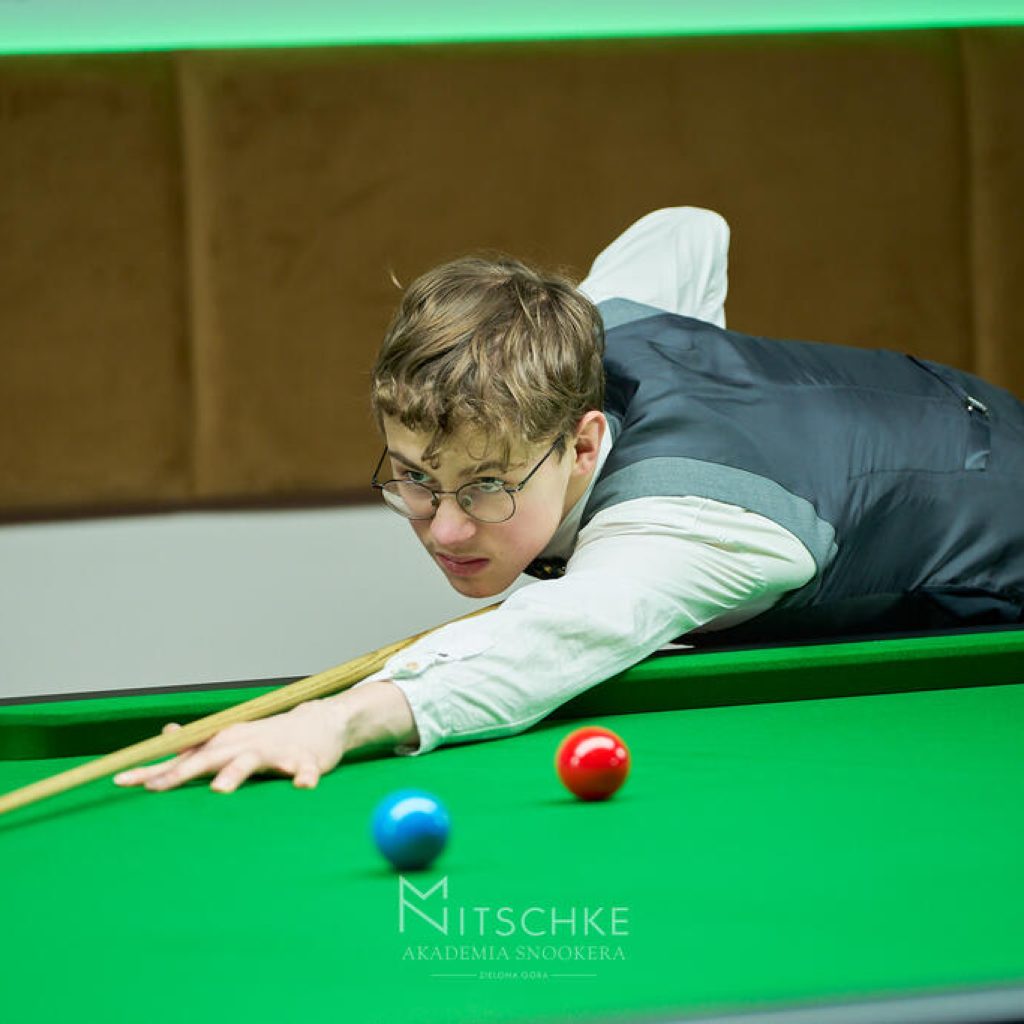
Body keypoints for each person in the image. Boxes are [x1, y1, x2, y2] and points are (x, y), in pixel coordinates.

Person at [115, 208, 1024, 796]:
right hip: (944, 400)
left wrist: (334, 719)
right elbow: (690, 231)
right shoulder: (590, 327)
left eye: (487, 486)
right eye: (416, 479)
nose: (445, 528)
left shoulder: (687, 526)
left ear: (585, 445)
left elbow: (549, 642)